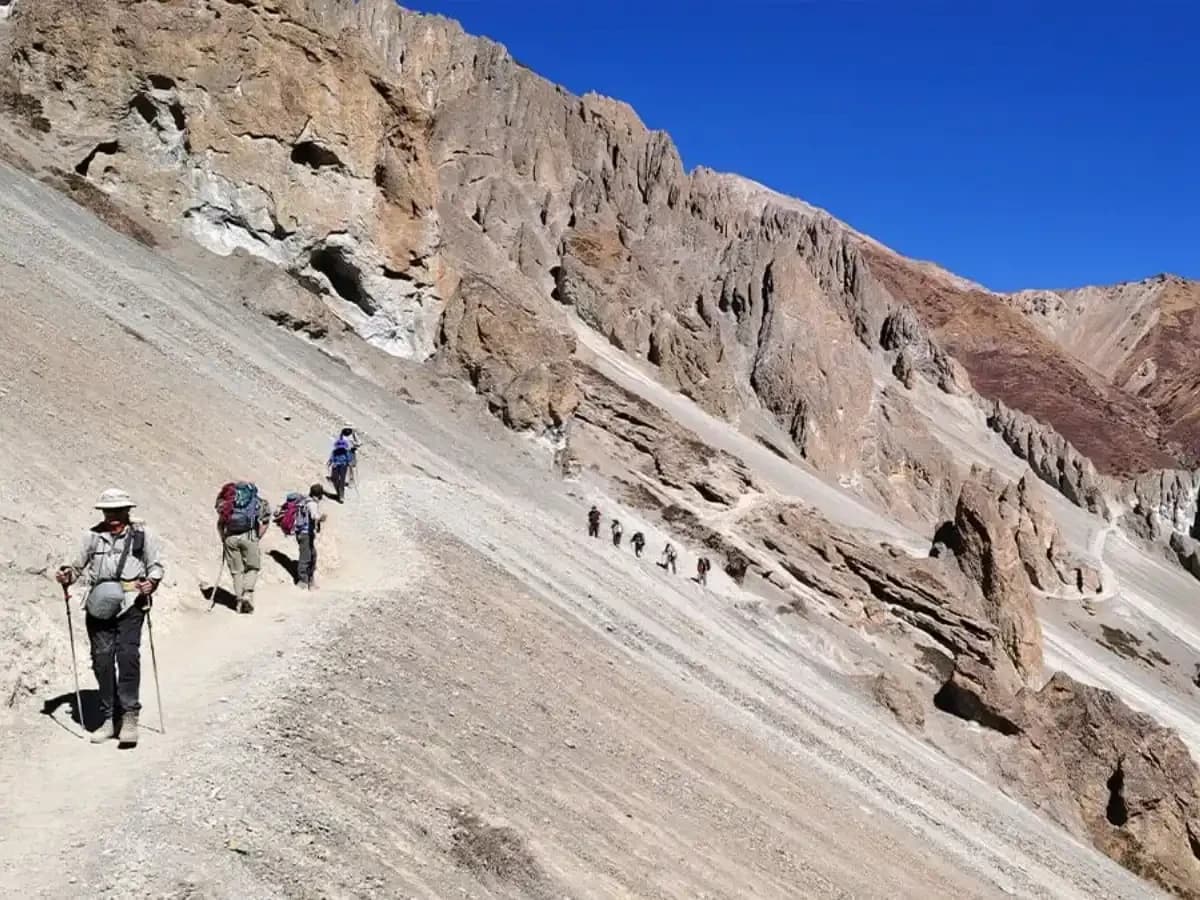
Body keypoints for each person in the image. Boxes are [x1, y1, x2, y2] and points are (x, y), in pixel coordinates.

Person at [56, 488, 164, 746]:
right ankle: (109, 717)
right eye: (108, 511)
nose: (112, 516)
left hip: (131, 604)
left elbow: (156, 566)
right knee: (102, 661)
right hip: (98, 606)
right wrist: (66, 576)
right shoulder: (92, 536)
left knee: (127, 657)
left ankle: (129, 716)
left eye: (117, 511)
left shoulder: (143, 535)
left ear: (128, 511)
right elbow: (76, 567)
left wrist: (151, 583)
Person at [215, 481, 271, 614]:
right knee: (252, 567)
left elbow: (220, 524)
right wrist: (257, 537)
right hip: (249, 536)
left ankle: (239, 602)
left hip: (230, 538)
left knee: (236, 571)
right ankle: (247, 593)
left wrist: (224, 538)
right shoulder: (257, 502)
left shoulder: (227, 502)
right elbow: (265, 521)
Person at [297, 483, 326, 589]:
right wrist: (321, 518)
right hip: (305, 534)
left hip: (303, 533)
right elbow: (314, 516)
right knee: (306, 557)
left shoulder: (305, 500)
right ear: (318, 495)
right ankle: (303, 582)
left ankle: (309, 580)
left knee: (312, 555)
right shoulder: (312, 504)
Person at [328, 438, 355, 503]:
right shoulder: (334, 451)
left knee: (342, 480)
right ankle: (338, 492)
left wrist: (350, 463)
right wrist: (330, 462)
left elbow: (349, 459)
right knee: (336, 480)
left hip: (343, 466)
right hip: (336, 466)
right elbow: (332, 458)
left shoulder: (346, 452)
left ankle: (341, 495)